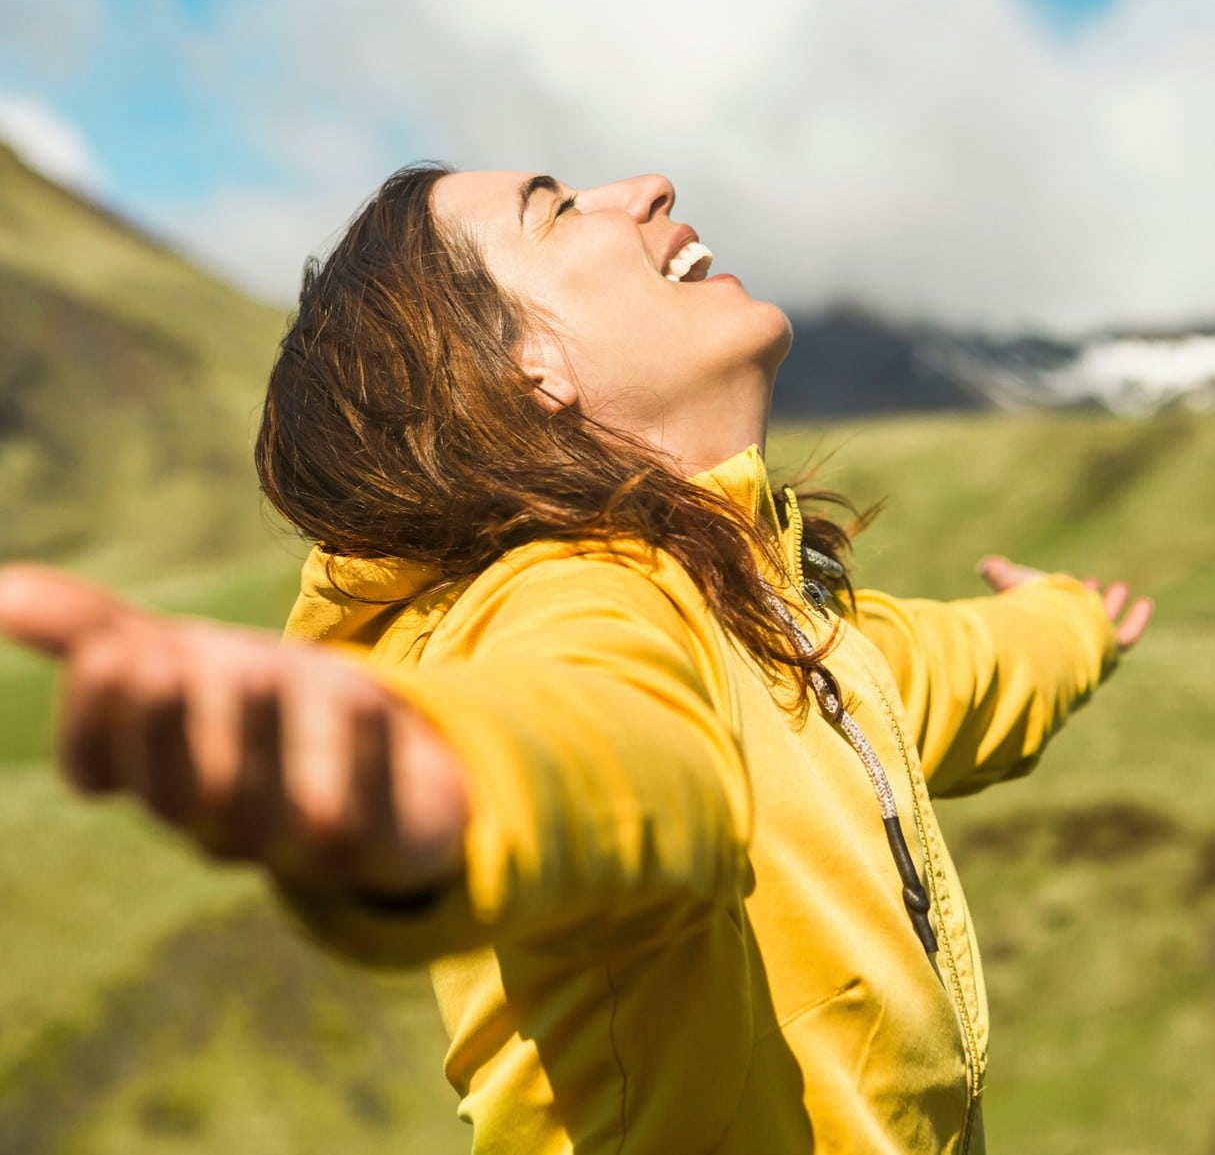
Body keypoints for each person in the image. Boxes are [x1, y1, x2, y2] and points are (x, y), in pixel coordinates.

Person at [0, 165, 1152, 1154]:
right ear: (522, 371)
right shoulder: (582, 595)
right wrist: (426, 785)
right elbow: (601, 746)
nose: (646, 188)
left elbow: (948, 669)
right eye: (552, 211)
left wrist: (1070, 623)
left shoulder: (771, 619)